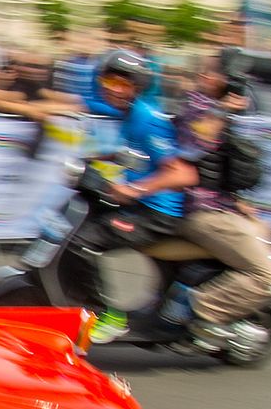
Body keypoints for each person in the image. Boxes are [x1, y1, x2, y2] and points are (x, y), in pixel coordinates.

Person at [79, 49, 192, 342]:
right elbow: (139, 156)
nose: (113, 89)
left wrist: (133, 189)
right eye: (108, 81)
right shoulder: (129, 116)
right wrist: (100, 157)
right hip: (141, 206)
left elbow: (180, 173)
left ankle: (108, 315)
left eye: (122, 84)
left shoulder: (148, 118)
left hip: (158, 213)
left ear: (137, 87)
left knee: (84, 242)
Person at [175, 72, 271, 352]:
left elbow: (216, 166)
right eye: (211, 73)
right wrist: (221, 109)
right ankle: (206, 312)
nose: (209, 77)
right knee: (265, 276)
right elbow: (196, 145)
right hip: (201, 213)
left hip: (217, 207)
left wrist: (235, 201)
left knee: (264, 230)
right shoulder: (197, 108)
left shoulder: (216, 111)